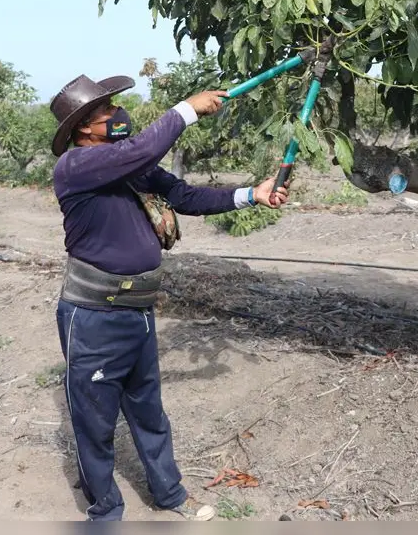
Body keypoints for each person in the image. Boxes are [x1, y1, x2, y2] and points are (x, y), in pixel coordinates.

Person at [49, 74, 289, 522]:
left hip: (137, 313)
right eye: (106, 111)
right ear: (83, 128)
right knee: (94, 422)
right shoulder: (76, 166)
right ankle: (105, 512)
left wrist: (251, 195)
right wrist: (187, 109)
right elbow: (141, 148)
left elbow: (185, 196)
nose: (118, 114)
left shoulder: (128, 165)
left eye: (116, 105)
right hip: (94, 316)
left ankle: (170, 494)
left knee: (148, 411)